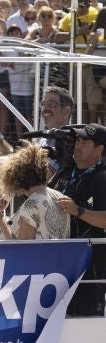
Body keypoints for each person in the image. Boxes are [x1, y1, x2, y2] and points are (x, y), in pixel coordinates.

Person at [52, 123, 106, 315]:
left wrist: (79, 211)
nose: (78, 145)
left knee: (85, 322)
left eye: (85, 142)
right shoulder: (66, 171)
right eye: (78, 140)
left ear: (99, 149)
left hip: (90, 266)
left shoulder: (101, 178)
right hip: (62, 261)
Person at [0, 144, 70, 240]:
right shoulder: (59, 196)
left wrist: (0, 221)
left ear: (18, 178)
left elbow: (21, 249)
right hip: (60, 254)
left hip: (38, 255)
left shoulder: (31, 206)